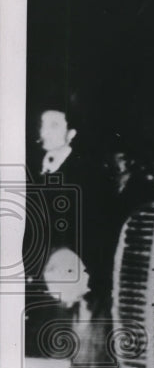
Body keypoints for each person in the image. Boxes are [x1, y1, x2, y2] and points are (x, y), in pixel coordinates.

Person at [27, 108, 114, 294]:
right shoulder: (33, 169)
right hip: (39, 278)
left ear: (71, 134)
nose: (44, 132)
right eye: (42, 125)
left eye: (54, 125)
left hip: (76, 280)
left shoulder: (89, 173)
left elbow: (96, 231)